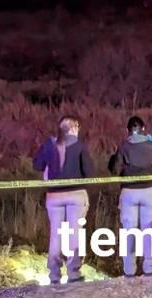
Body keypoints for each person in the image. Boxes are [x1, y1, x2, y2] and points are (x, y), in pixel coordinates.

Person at [32, 115, 94, 285]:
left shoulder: (49, 144)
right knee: (75, 234)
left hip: (54, 196)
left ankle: (54, 275)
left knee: (56, 235)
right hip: (76, 195)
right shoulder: (80, 146)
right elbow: (89, 173)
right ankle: (73, 273)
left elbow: (37, 165)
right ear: (74, 128)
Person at [109, 116, 152, 277]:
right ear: (144, 129)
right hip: (149, 191)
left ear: (127, 130)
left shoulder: (123, 147)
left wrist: (113, 157)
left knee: (129, 232)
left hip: (129, 192)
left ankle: (129, 271)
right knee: (149, 231)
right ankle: (150, 269)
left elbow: (115, 170)